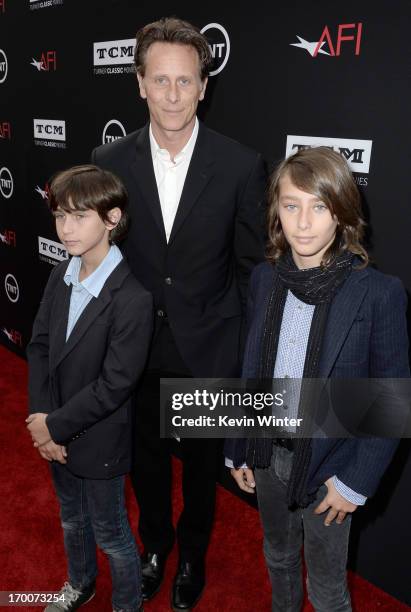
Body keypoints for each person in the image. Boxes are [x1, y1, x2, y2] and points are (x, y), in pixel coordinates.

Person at [91, 16, 266, 610]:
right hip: (134, 349)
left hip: (206, 347)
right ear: (139, 82)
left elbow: (251, 272)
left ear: (203, 86)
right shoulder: (107, 160)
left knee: (198, 468)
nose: (172, 95)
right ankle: (155, 546)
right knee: (144, 461)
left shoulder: (242, 165)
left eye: (184, 81)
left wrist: (245, 362)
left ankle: (192, 552)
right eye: (160, 80)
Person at [225, 147, 410, 611]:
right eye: (292, 205)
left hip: (331, 463)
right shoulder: (265, 279)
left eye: (319, 206)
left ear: (343, 214)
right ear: (276, 213)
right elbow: (252, 368)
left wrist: (353, 482)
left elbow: (392, 398)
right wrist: (237, 444)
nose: (303, 222)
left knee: (328, 591)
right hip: (268, 454)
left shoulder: (377, 294)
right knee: (278, 557)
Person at [26, 165, 153, 612]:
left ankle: (126, 604)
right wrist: (40, 421)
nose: (66, 228)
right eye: (60, 216)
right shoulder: (61, 274)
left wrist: (54, 426)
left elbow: (115, 385)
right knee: (71, 519)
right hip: (54, 431)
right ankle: (80, 584)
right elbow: (39, 347)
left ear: (112, 218)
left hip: (98, 439)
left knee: (112, 533)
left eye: (79, 216)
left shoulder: (133, 299)